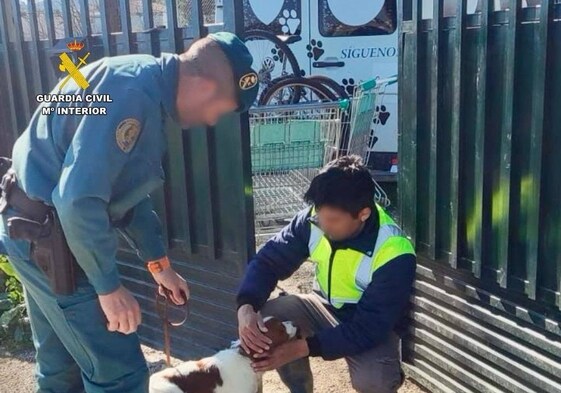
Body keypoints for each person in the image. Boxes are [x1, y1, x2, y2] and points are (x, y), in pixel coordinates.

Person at [0, 32, 258, 393]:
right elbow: (79, 200)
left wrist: (159, 264)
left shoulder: (139, 82)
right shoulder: (133, 96)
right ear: (203, 84)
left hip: (30, 228)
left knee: (61, 367)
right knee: (120, 374)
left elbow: (124, 191)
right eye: (221, 107)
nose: (213, 120)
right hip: (52, 245)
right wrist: (108, 287)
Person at [237, 155, 417, 393]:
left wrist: (303, 347)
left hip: (366, 323)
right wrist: (246, 305)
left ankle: (389, 373)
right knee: (265, 319)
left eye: (333, 220)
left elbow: (370, 326)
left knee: (374, 380)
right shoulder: (313, 220)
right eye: (320, 214)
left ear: (363, 214)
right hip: (321, 306)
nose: (323, 224)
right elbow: (268, 261)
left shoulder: (394, 250)